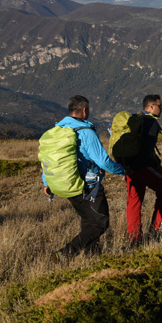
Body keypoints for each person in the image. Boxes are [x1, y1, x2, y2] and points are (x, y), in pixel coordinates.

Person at [43, 95, 125, 258]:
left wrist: (47, 182)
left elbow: (49, 157)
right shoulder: (86, 132)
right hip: (88, 186)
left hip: (65, 184)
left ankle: (92, 256)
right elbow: (102, 161)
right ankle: (65, 254)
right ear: (84, 110)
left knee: (88, 220)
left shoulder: (58, 130)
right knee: (100, 224)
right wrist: (122, 171)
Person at [122, 94, 162, 245]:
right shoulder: (151, 123)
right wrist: (154, 167)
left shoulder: (135, 120)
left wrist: (126, 168)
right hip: (142, 167)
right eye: (159, 106)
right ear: (151, 107)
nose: (161, 108)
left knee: (134, 201)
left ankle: (135, 238)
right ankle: (157, 226)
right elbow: (146, 151)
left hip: (129, 167)